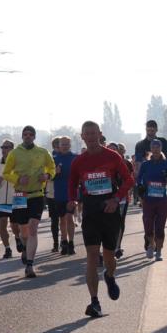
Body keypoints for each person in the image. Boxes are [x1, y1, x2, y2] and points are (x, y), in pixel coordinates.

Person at [68, 121, 134, 318]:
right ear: (82, 136)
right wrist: (72, 200)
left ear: (100, 134)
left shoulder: (112, 156)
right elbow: (72, 183)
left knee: (109, 256)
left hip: (110, 210)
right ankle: (94, 301)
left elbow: (129, 179)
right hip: (90, 212)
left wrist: (116, 198)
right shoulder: (79, 161)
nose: (90, 137)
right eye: (86, 134)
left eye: (93, 133)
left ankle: (110, 275)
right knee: (91, 256)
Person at [3, 125, 55, 278]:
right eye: (25, 134)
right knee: (23, 229)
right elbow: (6, 173)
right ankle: (25, 248)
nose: (27, 136)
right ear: (22, 136)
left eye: (30, 134)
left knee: (33, 228)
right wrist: (18, 178)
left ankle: (30, 265)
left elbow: (51, 168)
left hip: (37, 195)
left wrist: (47, 176)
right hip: (20, 195)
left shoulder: (42, 152)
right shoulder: (14, 153)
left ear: (34, 136)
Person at [137, 139, 167, 261]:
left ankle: (159, 251)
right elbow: (139, 178)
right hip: (148, 200)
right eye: (153, 147)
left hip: (161, 201)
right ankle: (151, 244)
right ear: (151, 149)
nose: (155, 149)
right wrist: (140, 186)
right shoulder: (146, 165)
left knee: (160, 228)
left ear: (161, 149)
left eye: (158, 147)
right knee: (148, 226)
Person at [0, 139, 22, 259]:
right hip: (2, 200)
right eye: (2, 147)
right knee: (2, 225)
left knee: (16, 225)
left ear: (12, 149)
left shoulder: (18, 163)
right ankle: (7, 249)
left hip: (16, 199)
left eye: (6, 147)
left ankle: (18, 238)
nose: (3, 150)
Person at [52, 136, 77, 254]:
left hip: (71, 193)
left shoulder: (75, 158)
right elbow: (48, 176)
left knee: (69, 217)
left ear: (70, 145)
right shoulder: (54, 159)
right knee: (62, 219)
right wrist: (54, 173)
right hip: (59, 193)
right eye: (63, 144)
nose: (65, 146)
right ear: (59, 145)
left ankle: (71, 242)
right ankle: (64, 241)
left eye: (67, 144)